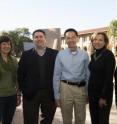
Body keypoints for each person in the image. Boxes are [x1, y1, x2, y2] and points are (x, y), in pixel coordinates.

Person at [17, 29, 58, 124]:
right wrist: (24, 89)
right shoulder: (26, 55)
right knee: (29, 119)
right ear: (33, 40)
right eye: (36, 37)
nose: (39, 39)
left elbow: (58, 73)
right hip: (30, 94)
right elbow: (20, 74)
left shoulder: (55, 54)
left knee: (48, 119)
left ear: (45, 38)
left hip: (49, 93)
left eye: (41, 36)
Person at [53, 28, 90, 124]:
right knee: (66, 118)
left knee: (81, 118)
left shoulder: (85, 55)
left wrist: (87, 92)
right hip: (65, 88)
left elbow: (88, 74)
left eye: (73, 37)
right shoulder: (60, 55)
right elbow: (56, 75)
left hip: (80, 89)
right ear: (65, 40)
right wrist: (56, 95)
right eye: (68, 38)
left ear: (77, 38)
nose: (71, 40)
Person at [88, 32, 115, 124]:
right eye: (95, 39)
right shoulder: (93, 55)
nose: (97, 42)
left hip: (103, 94)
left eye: (100, 40)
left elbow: (108, 78)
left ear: (105, 42)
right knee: (94, 119)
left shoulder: (109, 55)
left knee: (102, 120)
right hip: (92, 93)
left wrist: (103, 97)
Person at [0, 35, 21, 124]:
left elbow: (17, 78)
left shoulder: (14, 59)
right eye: (4, 44)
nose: (7, 46)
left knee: (8, 121)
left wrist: (19, 94)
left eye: (9, 44)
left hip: (12, 95)